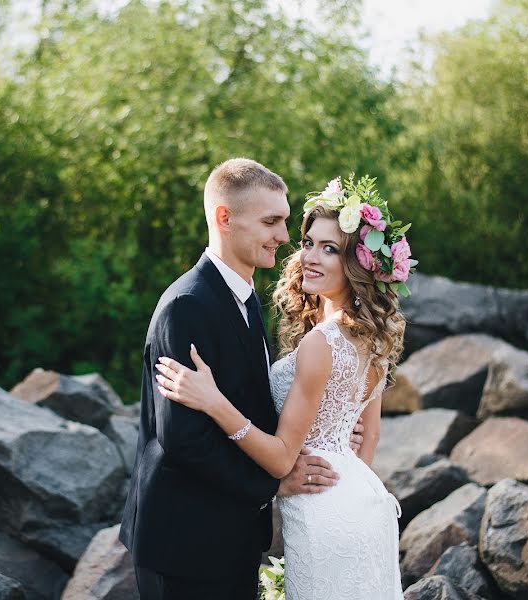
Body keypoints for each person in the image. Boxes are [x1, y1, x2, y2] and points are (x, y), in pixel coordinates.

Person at [155, 174, 414, 599]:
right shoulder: (374, 336)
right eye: (309, 242)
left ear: (358, 264)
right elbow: (370, 435)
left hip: (321, 510)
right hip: (364, 500)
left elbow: (281, 460)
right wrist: (337, 454)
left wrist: (215, 401)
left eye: (329, 248)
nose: (308, 255)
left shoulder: (320, 342)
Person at [119, 159, 366, 600]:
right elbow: (184, 439)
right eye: (271, 222)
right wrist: (273, 484)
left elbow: (251, 403)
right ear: (224, 218)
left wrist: (322, 428)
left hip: (230, 538)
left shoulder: (247, 297)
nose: (286, 238)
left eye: (286, 221)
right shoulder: (187, 306)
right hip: (185, 544)